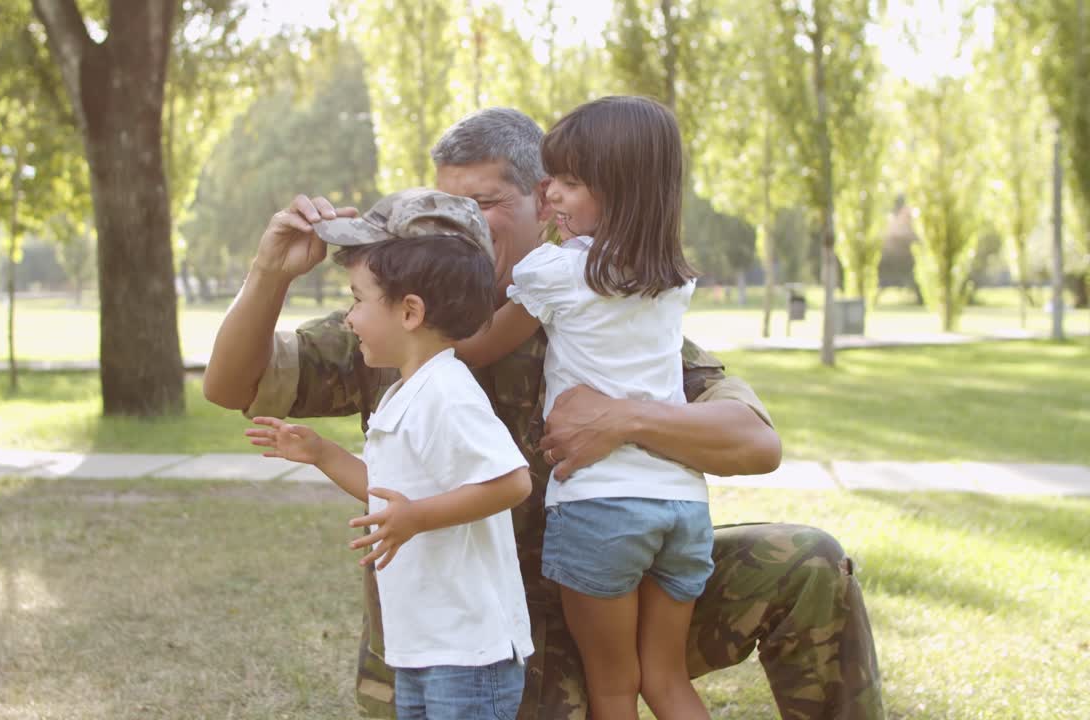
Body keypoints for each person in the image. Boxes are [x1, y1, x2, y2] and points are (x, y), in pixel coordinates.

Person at [203, 107, 885, 720]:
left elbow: (754, 444)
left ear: (543, 200)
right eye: (445, 200)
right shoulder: (399, 320)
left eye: (483, 201)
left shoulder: (601, 310)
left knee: (807, 563)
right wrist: (269, 272)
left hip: (605, 592)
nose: (462, 218)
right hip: (468, 637)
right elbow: (235, 384)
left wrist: (624, 418)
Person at [455, 96, 709, 720]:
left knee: (614, 688)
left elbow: (481, 346)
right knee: (667, 683)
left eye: (570, 183)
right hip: (683, 506)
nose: (554, 198)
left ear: (619, 190)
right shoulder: (671, 278)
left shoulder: (560, 273)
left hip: (600, 510)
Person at [245, 191, 534, 719]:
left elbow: (513, 482)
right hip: (425, 642)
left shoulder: (449, 392)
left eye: (357, 300)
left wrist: (415, 518)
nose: (349, 317)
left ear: (409, 311)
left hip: (469, 652)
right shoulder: (405, 391)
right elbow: (387, 490)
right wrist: (321, 452)